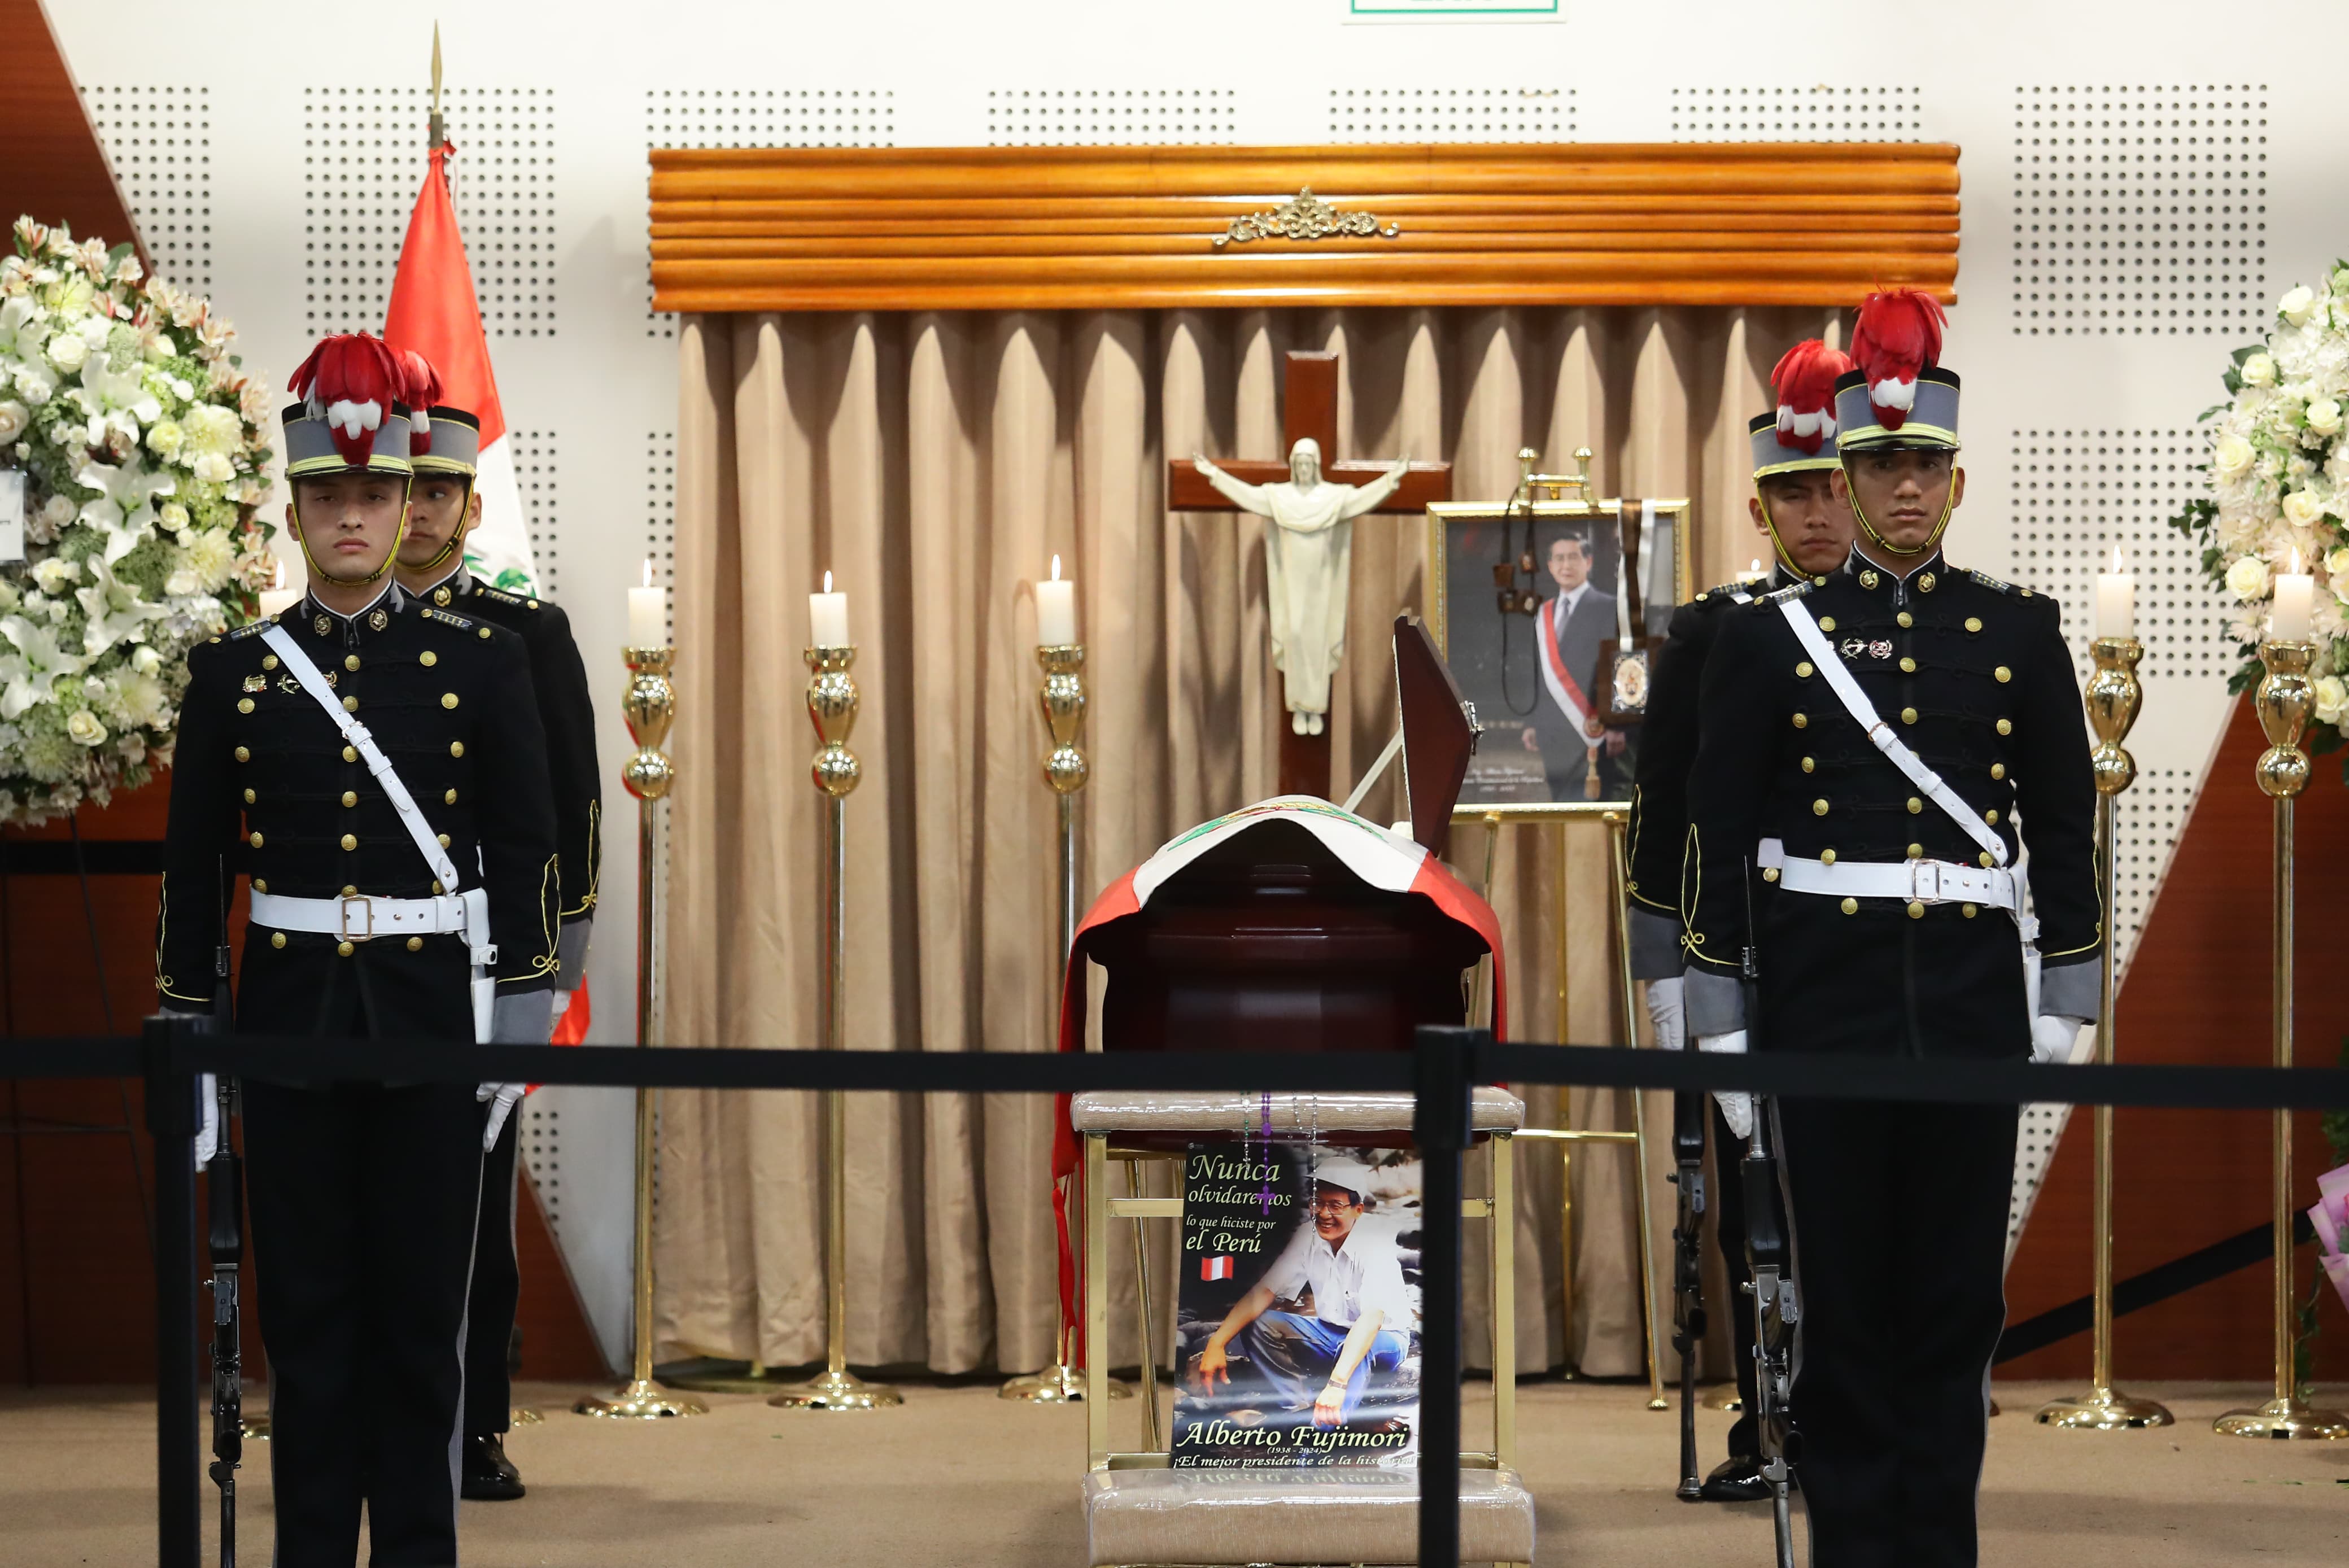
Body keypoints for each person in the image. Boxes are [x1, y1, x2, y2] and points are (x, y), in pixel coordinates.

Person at [1682, 290, 2099, 1567]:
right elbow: (1719, 829)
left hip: (1971, 994)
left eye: (1924, 465)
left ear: (1956, 482)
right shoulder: (1768, 641)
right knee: (1849, 1298)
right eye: (1877, 464)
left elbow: (2063, 820)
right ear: (1840, 476)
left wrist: (2068, 986)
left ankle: (1939, 1543)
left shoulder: (2018, 629)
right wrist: (1718, 1011)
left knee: (1960, 1299)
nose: (1903, 489)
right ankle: (1857, 1545)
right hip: (1826, 991)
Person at [155, 331, 561, 1567]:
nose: (350, 517)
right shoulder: (233, 675)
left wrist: (524, 1010)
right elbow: (197, 866)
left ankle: (422, 1551)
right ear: (292, 509)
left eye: (374, 494)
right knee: (312, 1321)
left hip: (430, 1019)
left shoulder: (483, 661)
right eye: (326, 497)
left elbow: (524, 841)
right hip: (286, 1028)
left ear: (410, 506)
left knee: (422, 1320)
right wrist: (190, 1025)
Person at [1625, 338, 1854, 1504]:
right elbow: (1662, 806)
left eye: (1832, 485)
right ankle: (1770, 1418)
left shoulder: (1913, 628)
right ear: (1758, 504)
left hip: (1876, 961)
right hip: (1750, 951)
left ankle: (1862, 1419)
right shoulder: (1714, 631)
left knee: (1868, 1197)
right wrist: (1661, 960)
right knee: (1753, 1197)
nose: (1817, 513)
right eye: (1793, 492)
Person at [391, 357, 601, 1503]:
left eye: (439, 491)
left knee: (474, 1203)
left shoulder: (525, 630)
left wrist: (555, 958)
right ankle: (373, 1414)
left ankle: (473, 1423)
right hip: (362, 953)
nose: (415, 510)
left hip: (481, 950)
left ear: (474, 505)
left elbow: (571, 801)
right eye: (402, 486)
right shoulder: (331, 632)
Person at [1191, 1159, 1414, 1429]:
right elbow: (1263, 1291)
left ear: (1358, 1210)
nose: (1323, 1213)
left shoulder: (1374, 1244)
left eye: (1335, 1205)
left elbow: (1370, 1321)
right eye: (1317, 1203)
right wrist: (1217, 1343)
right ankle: (1297, 1409)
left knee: (1356, 1348)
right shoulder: (1307, 1236)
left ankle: (1327, 1425)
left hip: (1386, 1339)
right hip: (1329, 1332)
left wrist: (1335, 1385)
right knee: (1260, 1324)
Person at [1521, 530, 1627, 798]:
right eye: (1559, 559)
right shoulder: (1544, 613)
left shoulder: (1609, 607)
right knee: (1558, 803)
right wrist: (1532, 723)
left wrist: (1616, 725)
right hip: (1551, 730)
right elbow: (1536, 672)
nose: (1566, 565)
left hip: (1592, 729)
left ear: (1588, 562)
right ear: (1550, 566)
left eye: (1573, 557)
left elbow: (1618, 668)